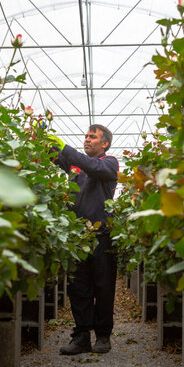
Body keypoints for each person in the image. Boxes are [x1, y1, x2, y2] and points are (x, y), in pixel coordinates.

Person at [47, 124, 119, 355]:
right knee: (79, 289)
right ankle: (81, 337)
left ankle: (103, 337)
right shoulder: (77, 166)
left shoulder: (109, 163)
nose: (87, 139)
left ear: (104, 143)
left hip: (102, 237)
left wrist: (65, 148)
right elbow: (55, 158)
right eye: (86, 136)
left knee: (104, 288)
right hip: (78, 238)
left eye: (93, 137)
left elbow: (91, 165)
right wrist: (42, 139)